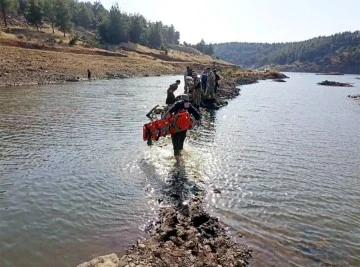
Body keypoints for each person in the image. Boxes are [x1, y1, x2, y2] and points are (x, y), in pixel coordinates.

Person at [164, 94, 201, 163]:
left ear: (181, 98)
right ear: (187, 99)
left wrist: (164, 119)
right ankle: (180, 155)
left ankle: (178, 162)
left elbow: (168, 113)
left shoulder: (178, 104)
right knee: (181, 141)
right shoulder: (189, 105)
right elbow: (198, 116)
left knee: (175, 143)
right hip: (184, 128)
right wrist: (193, 124)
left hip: (175, 127)